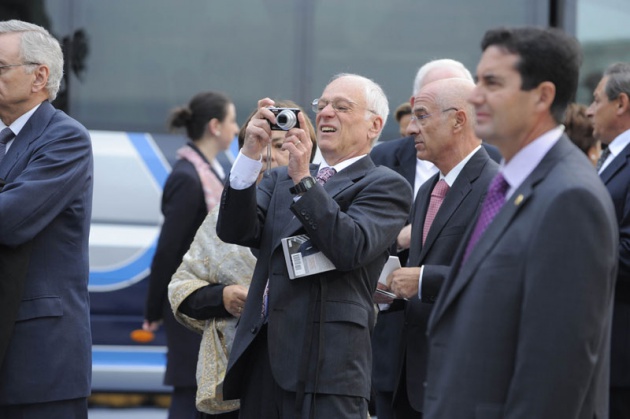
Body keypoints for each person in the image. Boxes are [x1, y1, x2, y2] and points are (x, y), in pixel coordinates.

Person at [423, 26, 618, 419]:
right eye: (477, 80)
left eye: (492, 82)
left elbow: (556, 370)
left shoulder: (570, 197)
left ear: (543, 96)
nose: (475, 94)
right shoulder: (509, 183)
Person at [216, 73, 412, 418]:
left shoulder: (386, 185)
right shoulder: (277, 178)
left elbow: (349, 246)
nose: (325, 113)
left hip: (328, 370)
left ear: (374, 125)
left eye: (341, 107)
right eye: (321, 105)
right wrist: (249, 154)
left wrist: (304, 179)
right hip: (262, 358)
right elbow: (235, 230)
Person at [168, 100, 317, 419]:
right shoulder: (222, 219)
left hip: (300, 386)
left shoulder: (324, 212)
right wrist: (222, 297)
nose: (270, 157)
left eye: (282, 145)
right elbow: (181, 288)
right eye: (260, 145)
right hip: (233, 387)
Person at [368, 58, 499, 419]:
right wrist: (388, 291)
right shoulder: (428, 189)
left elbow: (497, 277)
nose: (410, 128)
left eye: (421, 116)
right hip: (405, 381)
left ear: (458, 120)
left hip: (459, 380)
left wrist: (424, 279)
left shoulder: (497, 188)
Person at [0, 20, 93, 418]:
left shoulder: (65, 138)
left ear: (39, 76)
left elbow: (10, 220)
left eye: (0, 68)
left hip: (38, 362)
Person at [143, 91, 239, 419]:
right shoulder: (187, 177)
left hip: (204, 303)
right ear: (215, 126)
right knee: (188, 388)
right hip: (188, 303)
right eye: (232, 121)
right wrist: (154, 307)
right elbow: (169, 249)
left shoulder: (208, 171)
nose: (236, 129)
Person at [586, 62, 630, 419]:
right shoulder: (608, 158)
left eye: (596, 99)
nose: (588, 109)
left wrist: (566, 254)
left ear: (622, 104)